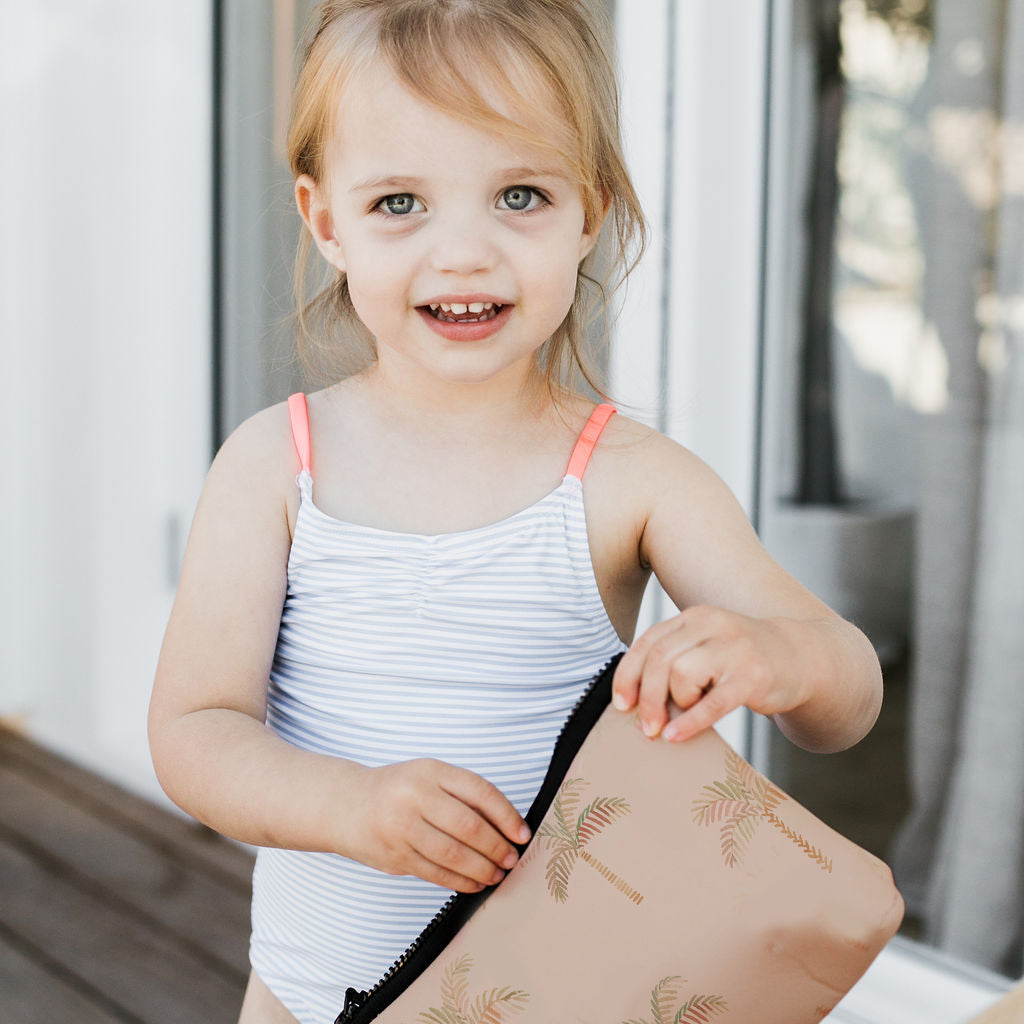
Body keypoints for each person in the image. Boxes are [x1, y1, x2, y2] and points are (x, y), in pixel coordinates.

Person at [148, 1, 884, 1021]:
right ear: (327, 224)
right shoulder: (276, 466)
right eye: (400, 202)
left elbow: (846, 698)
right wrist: (347, 805)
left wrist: (780, 656)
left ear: (589, 210)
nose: (463, 252)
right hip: (309, 1001)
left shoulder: (632, 477)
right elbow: (193, 729)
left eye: (519, 195)